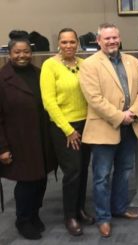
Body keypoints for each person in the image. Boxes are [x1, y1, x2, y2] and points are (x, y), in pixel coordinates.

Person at [79, 23, 138, 238]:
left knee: (124, 171)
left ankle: (119, 208)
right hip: (104, 128)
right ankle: (103, 217)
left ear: (119, 38)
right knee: (101, 176)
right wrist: (121, 116)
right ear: (98, 41)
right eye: (107, 38)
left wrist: (133, 113)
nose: (111, 42)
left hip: (130, 127)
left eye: (115, 38)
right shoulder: (90, 64)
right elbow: (94, 99)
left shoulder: (133, 61)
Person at [0, 36, 57, 240]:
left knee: (40, 178)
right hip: (18, 141)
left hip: (41, 138)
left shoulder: (39, 73)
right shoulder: (2, 78)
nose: (22, 55)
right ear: (9, 53)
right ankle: (23, 219)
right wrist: (2, 148)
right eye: (17, 52)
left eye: (26, 52)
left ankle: (34, 214)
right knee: (26, 182)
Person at [40, 28, 94, 236]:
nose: (69, 46)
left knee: (83, 168)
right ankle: (70, 216)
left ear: (78, 44)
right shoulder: (49, 66)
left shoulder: (83, 64)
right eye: (64, 42)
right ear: (58, 44)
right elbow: (49, 102)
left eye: (72, 42)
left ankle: (80, 209)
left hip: (86, 125)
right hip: (64, 127)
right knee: (72, 171)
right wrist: (69, 130)